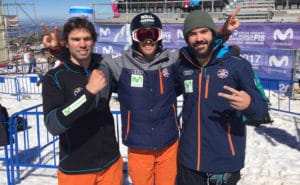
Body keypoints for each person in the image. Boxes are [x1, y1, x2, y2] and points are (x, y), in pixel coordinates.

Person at [42, 11, 240, 185]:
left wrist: (223, 33)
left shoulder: (172, 60)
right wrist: (59, 51)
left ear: (159, 36)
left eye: (153, 34)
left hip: (169, 144)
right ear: (134, 37)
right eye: (142, 34)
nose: (148, 39)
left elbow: (199, 48)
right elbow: (83, 57)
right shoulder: (117, 63)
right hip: (138, 147)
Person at [175, 10, 269, 185]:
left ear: (212, 33)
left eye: (204, 32)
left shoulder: (238, 66)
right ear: (187, 38)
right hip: (189, 162)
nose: (199, 38)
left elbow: (262, 111)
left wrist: (248, 104)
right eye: (192, 34)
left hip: (224, 164)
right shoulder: (182, 66)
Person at [42, 17, 123, 185]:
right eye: (75, 39)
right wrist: (88, 92)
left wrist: (57, 50)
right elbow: (53, 125)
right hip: (76, 169)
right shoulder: (54, 77)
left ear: (94, 41)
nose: (82, 44)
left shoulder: (103, 66)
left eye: (87, 39)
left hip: (110, 163)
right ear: (66, 42)